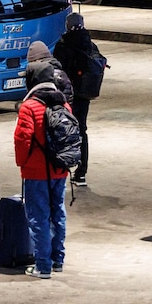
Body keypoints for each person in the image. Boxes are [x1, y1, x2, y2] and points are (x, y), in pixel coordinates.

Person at [14, 40, 71, 279]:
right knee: (58, 213)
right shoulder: (64, 103)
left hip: (36, 172)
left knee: (38, 217)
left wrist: (23, 165)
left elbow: (22, 141)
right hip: (60, 170)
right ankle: (58, 260)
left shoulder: (29, 106)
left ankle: (42, 266)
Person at [53, 12, 95, 186]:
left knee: (63, 130)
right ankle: (82, 172)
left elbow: (57, 69)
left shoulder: (63, 44)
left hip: (66, 95)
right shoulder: (90, 44)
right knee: (82, 130)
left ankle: (62, 167)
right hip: (84, 94)